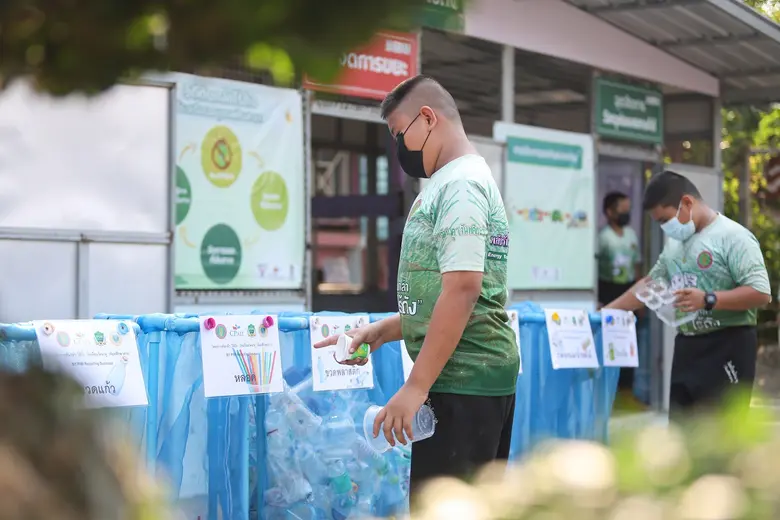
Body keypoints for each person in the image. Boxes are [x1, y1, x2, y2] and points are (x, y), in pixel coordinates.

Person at [314, 75, 519, 497]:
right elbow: (445, 295)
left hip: (463, 386)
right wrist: (382, 332)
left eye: (398, 134)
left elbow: (463, 289)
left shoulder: (461, 186)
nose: (399, 147)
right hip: (461, 381)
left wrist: (415, 387)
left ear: (427, 119)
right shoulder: (451, 183)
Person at [605, 170, 771, 420]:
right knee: (683, 435)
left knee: (720, 436)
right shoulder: (673, 245)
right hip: (687, 347)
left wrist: (708, 299)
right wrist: (605, 312)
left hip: (728, 346)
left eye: (664, 220)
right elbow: (647, 286)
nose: (664, 228)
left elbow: (760, 292)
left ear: (687, 203)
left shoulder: (734, 237)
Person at [597, 191, 641, 306]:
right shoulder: (603, 237)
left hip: (629, 288)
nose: (626, 213)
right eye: (622, 210)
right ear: (610, 212)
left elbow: (636, 264)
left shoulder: (631, 234)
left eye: (628, 210)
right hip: (608, 289)